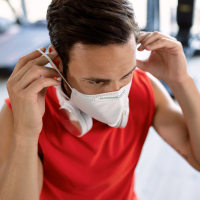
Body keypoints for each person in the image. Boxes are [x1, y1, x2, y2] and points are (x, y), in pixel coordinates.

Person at [0, 0, 200, 199]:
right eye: (97, 81)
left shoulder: (143, 89)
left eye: (125, 75)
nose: (117, 92)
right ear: (58, 64)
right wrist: (26, 134)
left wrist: (181, 80)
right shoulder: (23, 111)